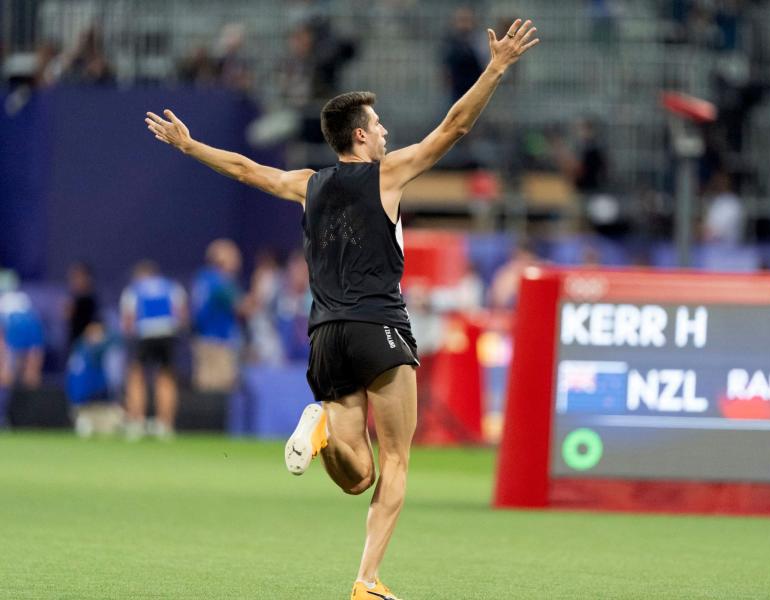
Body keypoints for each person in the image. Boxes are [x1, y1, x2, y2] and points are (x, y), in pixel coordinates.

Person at [145, 18, 539, 599]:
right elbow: (455, 127)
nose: (384, 133)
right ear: (359, 137)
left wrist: (189, 145)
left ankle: (325, 428)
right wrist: (497, 69)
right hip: (379, 325)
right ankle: (366, 580)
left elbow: (247, 169)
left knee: (358, 477)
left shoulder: (308, 182)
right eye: (376, 126)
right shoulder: (388, 175)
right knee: (398, 461)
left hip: (325, 334)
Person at [120, 260, 187, 440]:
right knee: (166, 377)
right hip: (167, 333)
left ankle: (137, 421)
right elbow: (181, 315)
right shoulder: (172, 287)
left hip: (144, 334)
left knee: (136, 376)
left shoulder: (134, 289)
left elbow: (128, 320)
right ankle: (165, 424)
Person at [191, 239, 242, 391]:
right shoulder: (221, 280)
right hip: (219, 342)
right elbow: (241, 306)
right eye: (233, 257)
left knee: (205, 384)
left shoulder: (202, 277)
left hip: (202, 339)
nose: (237, 261)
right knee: (220, 388)